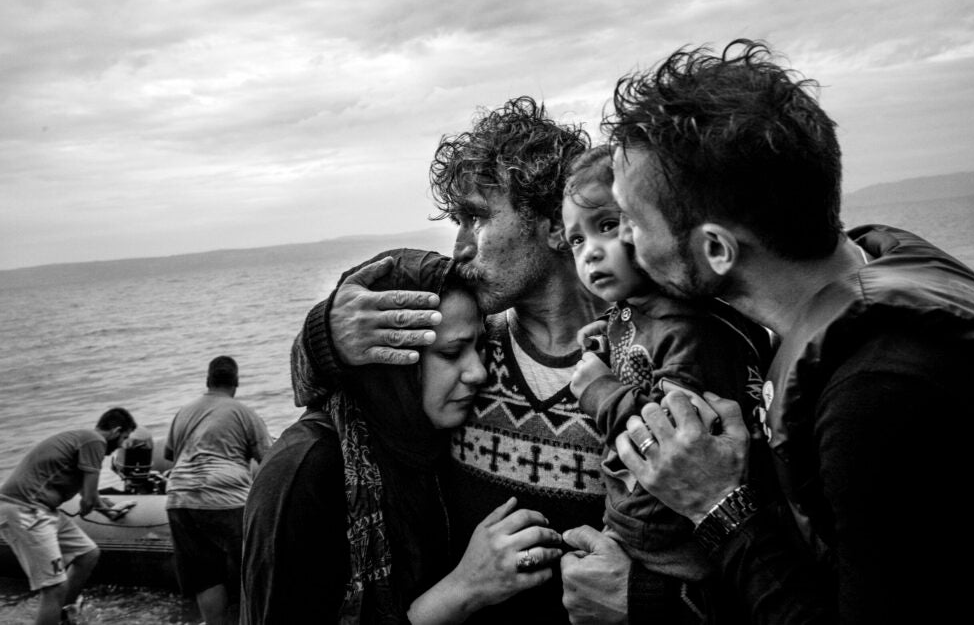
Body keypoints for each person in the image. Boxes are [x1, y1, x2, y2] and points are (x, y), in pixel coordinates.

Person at [572, 39, 974, 624]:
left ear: (714, 248)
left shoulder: (878, 394)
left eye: (630, 222)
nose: (625, 243)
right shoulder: (877, 260)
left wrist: (717, 508)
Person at [289, 97, 604, 621]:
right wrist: (325, 334)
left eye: (475, 217)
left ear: (554, 223)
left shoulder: (641, 360)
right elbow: (329, 394)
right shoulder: (464, 350)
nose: (457, 248)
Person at [242, 248, 566, 624]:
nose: (478, 372)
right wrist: (462, 590)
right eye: (450, 352)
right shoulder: (304, 471)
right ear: (386, 360)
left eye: (480, 347)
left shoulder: (432, 440)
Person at [561, 145, 772, 622]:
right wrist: (605, 343)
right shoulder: (635, 311)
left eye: (608, 225)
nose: (590, 250)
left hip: (670, 540)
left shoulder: (690, 329)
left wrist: (597, 390)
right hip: (633, 521)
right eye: (576, 240)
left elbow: (672, 439)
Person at [0, 407, 137, 625]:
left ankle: (62, 614)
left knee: (87, 554)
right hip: (24, 510)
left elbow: (88, 494)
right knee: (54, 587)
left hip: (41, 510)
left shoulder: (83, 440)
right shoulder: (94, 441)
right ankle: (55, 608)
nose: (123, 445)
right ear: (115, 431)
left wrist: (107, 508)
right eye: (124, 437)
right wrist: (100, 507)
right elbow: (88, 500)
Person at [165, 355, 272, 625]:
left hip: (180, 498)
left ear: (207, 381)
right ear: (236, 382)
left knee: (205, 576)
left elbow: (169, 454)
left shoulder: (184, 411)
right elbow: (269, 460)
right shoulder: (244, 413)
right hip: (225, 498)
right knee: (251, 568)